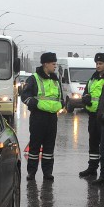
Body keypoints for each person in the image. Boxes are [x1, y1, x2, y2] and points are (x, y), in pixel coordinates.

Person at [20, 52, 63, 181]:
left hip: (52, 118)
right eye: (53, 64)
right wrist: (32, 102)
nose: (55, 66)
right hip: (38, 117)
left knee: (49, 147)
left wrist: (62, 104)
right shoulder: (34, 78)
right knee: (35, 146)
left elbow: (59, 97)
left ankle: (47, 173)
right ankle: (31, 173)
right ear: (45, 64)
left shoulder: (55, 80)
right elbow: (24, 96)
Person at [78, 53, 104, 178]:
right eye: (97, 63)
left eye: (100, 64)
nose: (98, 66)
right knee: (93, 142)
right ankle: (92, 168)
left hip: (103, 116)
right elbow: (86, 92)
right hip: (92, 115)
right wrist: (85, 99)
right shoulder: (92, 78)